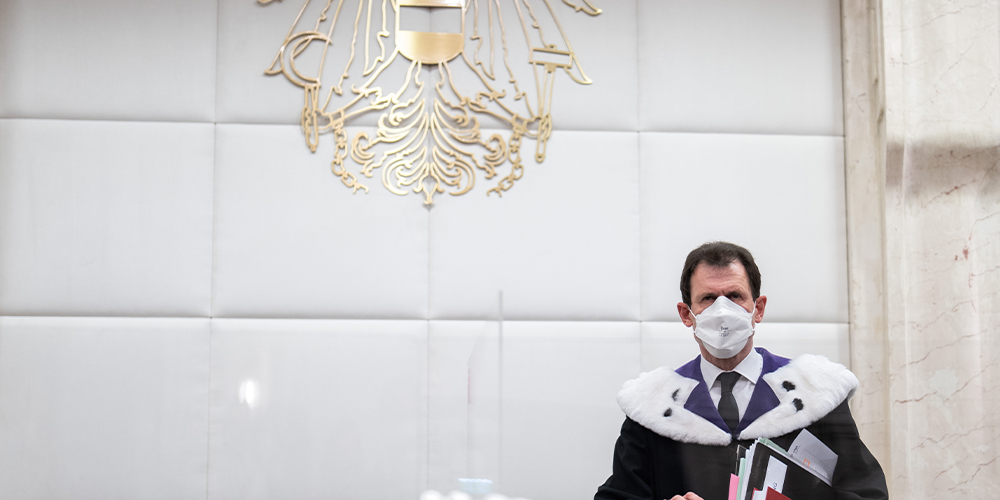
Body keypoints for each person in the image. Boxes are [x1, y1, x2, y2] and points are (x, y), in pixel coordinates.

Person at [595, 242, 887, 500]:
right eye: (708, 298)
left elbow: (867, 493)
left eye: (735, 296)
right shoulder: (653, 408)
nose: (722, 310)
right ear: (687, 314)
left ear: (758, 309)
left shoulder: (814, 395)